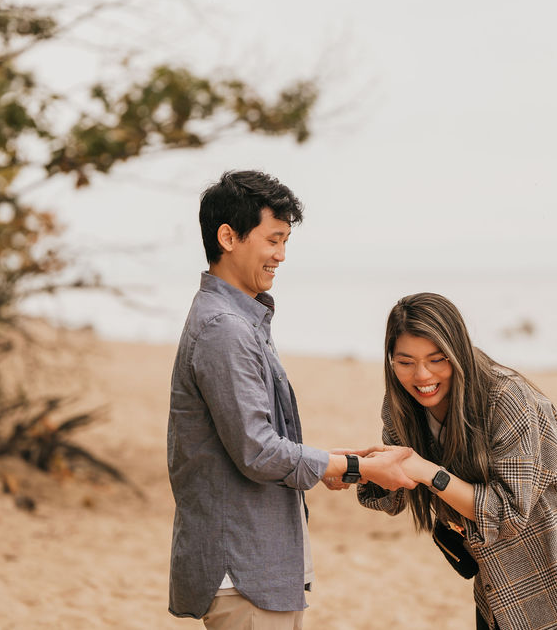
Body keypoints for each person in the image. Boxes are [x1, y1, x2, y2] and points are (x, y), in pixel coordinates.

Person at [168, 169, 415, 629]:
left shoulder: (242, 318)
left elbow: (254, 438)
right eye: (273, 239)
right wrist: (357, 468)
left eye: (286, 242)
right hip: (243, 570)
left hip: (262, 566)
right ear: (228, 237)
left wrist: (330, 460)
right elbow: (257, 451)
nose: (281, 255)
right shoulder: (225, 328)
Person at [357, 293, 557, 630]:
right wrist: (359, 469)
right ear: (391, 360)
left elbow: (508, 514)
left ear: (457, 351)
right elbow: (395, 496)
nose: (421, 376)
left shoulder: (508, 399)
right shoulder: (399, 407)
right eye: (405, 362)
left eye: (437, 359)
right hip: (498, 580)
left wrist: (430, 472)